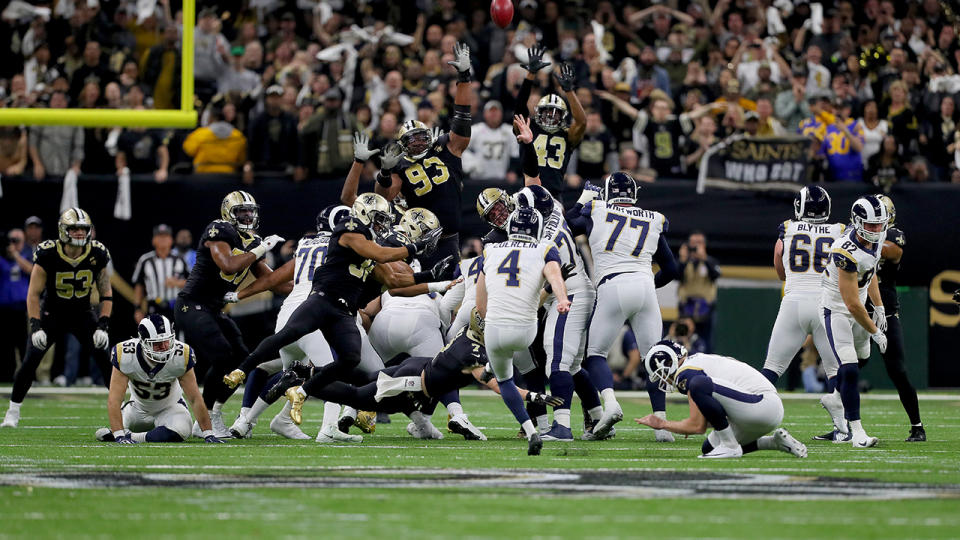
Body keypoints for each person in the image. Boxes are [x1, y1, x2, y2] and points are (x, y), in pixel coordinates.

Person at [264, 194, 448, 422]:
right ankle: (324, 412)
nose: (431, 242)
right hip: (341, 313)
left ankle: (309, 395)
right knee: (376, 379)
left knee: (364, 375)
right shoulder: (388, 243)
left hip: (344, 312)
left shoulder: (381, 240)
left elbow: (391, 282)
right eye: (427, 235)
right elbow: (395, 282)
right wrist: (433, 279)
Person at [224, 205, 366, 443]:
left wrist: (238, 295)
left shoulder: (305, 244)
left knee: (289, 376)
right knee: (331, 371)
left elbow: (274, 278)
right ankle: (329, 428)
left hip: (288, 312)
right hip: (314, 311)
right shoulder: (343, 246)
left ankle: (245, 421)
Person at [566, 173, 680, 442]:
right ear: (634, 194)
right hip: (644, 287)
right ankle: (661, 426)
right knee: (653, 358)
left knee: (594, 354)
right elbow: (672, 269)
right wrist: (648, 283)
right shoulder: (653, 218)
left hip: (612, 285)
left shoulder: (597, 209)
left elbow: (568, 226)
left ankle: (610, 403)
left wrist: (583, 199)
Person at [174, 191, 284, 438]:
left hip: (213, 309)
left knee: (242, 360)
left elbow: (271, 280)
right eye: (241, 211)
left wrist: (304, 282)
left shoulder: (251, 242)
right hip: (191, 305)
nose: (247, 216)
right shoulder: (219, 229)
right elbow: (228, 264)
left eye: (250, 211)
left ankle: (211, 415)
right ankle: (205, 419)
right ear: (228, 213)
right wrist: (261, 248)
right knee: (223, 357)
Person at [2, 209, 113, 428]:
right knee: (30, 361)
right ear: (64, 230)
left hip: (83, 313)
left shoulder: (97, 252)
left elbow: (106, 293)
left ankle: (125, 410)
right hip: (52, 313)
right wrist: (35, 326)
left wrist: (103, 324)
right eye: (75, 228)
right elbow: (33, 294)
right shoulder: (48, 253)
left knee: (106, 361)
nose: (80, 233)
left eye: (83, 228)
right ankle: (12, 412)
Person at [476, 207, 570, 455]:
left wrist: (490, 324)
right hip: (525, 331)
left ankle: (531, 431)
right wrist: (561, 298)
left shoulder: (491, 250)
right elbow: (554, 275)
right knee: (528, 362)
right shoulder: (545, 248)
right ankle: (491, 368)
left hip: (494, 328)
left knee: (505, 379)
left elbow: (480, 304)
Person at [375, 42, 474, 277]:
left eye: (421, 137)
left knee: (452, 290)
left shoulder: (444, 146)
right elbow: (383, 197)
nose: (418, 142)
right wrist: (384, 173)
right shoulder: (400, 165)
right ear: (402, 145)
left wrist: (464, 78)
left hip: (450, 237)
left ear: (428, 136)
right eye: (412, 139)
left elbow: (462, 119)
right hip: (421, 240)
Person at [637, 340, 807, 459]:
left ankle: (730, 446)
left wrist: (662, 424)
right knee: (708, 448)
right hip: (760, 408)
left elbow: (696, 426)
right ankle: (774, 443)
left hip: (761, 405)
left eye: (660, 375)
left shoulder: (687, 372)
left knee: (699, 385)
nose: (664, 380)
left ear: (666, 363)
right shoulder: (698, 363)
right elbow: (711, 418)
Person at [816, 196, 890, 448]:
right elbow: (851, 304)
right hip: (836, 309)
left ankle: (836, 397)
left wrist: (878, 305)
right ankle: (856, 432)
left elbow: (871, 273)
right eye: (870, 225)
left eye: (879, 225)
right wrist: (875, 330)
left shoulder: (877, 237)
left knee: (863, 358)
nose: (876, 230)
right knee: (848, 368)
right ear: (857, 222)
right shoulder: (844, 250)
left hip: (858, 305)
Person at [761, 186, 845, 385]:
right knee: (836, 372)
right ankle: (846, 417)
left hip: (794, 303)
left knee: (771, 369)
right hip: (827, 305)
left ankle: (751, 412)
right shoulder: (840, 231)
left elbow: (782, 273)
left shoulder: (787, 229)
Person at [94, 315, 223, 444]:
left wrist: (208, 434)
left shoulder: (181, 354)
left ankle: (131, 436)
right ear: (143, 342)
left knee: (182, 430)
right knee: (119, 429)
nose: (164, 347)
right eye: (157, 344)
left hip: (170, 408)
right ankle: (120, 431)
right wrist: (118, 435)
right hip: (138, 409)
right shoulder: (126, 354)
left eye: (167, 342)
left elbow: (195, 398)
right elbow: (114, 400)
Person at [869, 196, 925, 442]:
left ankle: (917, 426)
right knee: (844, 368)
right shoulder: (852, 234)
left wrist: (863, 242)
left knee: (897, 370)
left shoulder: (892, 234)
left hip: (885, 312)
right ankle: (841, 426)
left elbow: (894, 252)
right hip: (855, 311)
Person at [513, 44, 586, 200]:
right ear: (538, 111)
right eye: (547, 111)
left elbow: (581, 122)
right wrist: (530, 74)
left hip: (554, 195)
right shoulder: (528, 127)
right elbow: (519, 108)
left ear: (563, 116)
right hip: (529, 192)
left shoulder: (567, 134)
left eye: (555, 113)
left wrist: (569, 91)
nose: (551, 116)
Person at [132, 224, 188, 324]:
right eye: (159, 236)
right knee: (154, 337)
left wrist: (177, 283)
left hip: (175, 307)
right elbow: (139, 285)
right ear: (153, 240)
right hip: (154, 306)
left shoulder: (180, 259)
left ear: (171, 240)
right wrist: (137, 308)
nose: (163, 239)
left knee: (176, 337)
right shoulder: (145, 260)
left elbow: (192, 282)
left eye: (166, 236)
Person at [677, 231, 720, 352]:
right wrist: (682, 260)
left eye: (699, 243)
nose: (695, 246)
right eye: (693, 243)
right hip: (686, 309)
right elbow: (676, 275)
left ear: (704, 245)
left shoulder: (710, 261)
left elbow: (716, 274)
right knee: (683, 341)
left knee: (707, 343)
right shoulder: (685, 263)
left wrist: (704, 258)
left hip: (706, 309)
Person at [0, 229, 32, 381]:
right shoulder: (2, 261)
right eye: (11, 240)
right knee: (6, 345)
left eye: (17, 240)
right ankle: (7, 375)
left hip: (21, 310)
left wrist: (16, 256)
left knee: (24, 344)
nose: (13, 244)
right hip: (5, 310)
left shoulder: (26, 257)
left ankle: (26, 375)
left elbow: (32, 271)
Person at [28, 91, 83, 180]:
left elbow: (78, 146)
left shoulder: (74, 120)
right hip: (43, 171)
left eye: (61, 100)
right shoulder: (41, 117)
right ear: (50, 102)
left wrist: (76, 166)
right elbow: (32, 143)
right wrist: (37, 164)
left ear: (66, 103)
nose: (58, 103)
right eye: (55, 100)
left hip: (66, 171)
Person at [182, 103, 247, 174]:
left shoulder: (200, 134)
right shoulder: (238, 135)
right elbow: (242, 159)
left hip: (203, 175)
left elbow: (189, 150)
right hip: (229, 176)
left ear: (211, 118)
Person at [462, 100, 519, 181]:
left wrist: (512, 171)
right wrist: (471, 163)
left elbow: (515, 154)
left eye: (496, 111)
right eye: (491, 111)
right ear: (484, 114)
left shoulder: (509, 131)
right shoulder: (475, 130)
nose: (494, 114)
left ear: (501, 114)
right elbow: (461, 149)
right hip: (479, 179)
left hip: (502, 179)